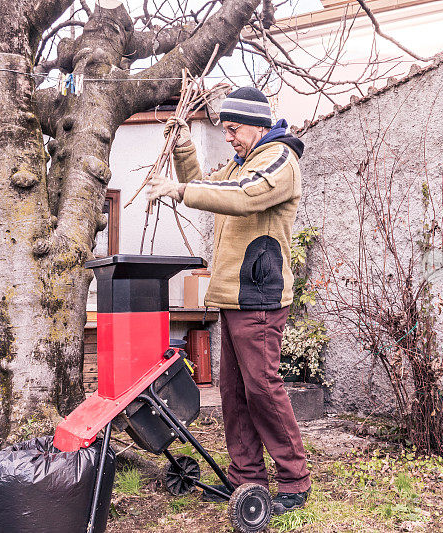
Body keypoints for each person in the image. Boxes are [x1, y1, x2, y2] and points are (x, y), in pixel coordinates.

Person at [147, 87, 311, 515]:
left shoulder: (279, 160)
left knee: (263, 389)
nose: (229, 138)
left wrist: (178, 191)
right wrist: (182, 147)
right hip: (235, 297)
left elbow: (241, 197)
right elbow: (205, 186)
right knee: (235, 392)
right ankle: (246, 475)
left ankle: (294, 478)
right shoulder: (243, 163)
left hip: (260, 295)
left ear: (257, 124)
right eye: (225, 130)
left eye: (233, 129)